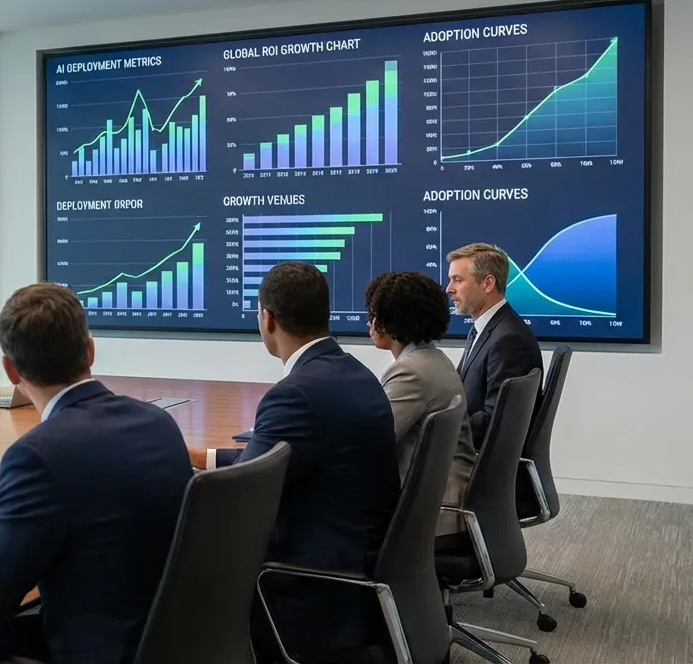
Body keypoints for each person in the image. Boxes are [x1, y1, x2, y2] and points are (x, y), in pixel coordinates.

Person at [0, 283, 193, 663]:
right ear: (90, 349)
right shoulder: (157, 422)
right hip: (168, 640)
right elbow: (106, 531)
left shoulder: (38, 454)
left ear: (10, 369)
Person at [188, 262, 398, 662]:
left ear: (266, 319)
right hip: (359, 559)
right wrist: (207, 458)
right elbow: (278, 458)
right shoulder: (352, 372)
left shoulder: (295, 394)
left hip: (310, 585)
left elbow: (240, 500)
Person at [365, 271, 477, 537]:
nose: (370, 322)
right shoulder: (435, 359)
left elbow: (371, 444)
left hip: (434, 513)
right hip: (449, 498)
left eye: (374, 314)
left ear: (392, 320)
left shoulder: (409, 372)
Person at [446, 242, 542, 448]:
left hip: (476, 462)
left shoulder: (509, 340)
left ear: (488, 284)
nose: (449, 289)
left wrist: (438, 431)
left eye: (458, 280)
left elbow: (495, 421)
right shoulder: (485, 327)